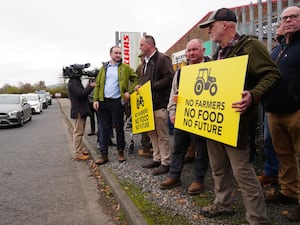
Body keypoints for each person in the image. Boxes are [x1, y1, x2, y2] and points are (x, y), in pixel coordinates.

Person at [198, 8, 281, 224]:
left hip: (237, 123)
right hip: (215, 123)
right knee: (217, 168)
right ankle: (223, 203)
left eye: (211, 26)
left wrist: (253, 95)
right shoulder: (218, 54)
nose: (208, 31)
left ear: (224, 25)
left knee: (242, 172)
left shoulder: (250, 46)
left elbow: (272, 74)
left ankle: (258, 218)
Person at [264, 6, 300, 222]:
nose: (287, 21)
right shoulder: (277, 50)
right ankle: (289, 192)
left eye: (293, 17)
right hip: (275, 112)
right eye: (284, 18)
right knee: (285, 156)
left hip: (296, 112)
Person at [160, 39, 209, 195]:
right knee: (178, 148)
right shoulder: (181, 72)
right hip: (183, 117)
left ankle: (198, 180)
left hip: (202, 118)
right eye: (189, 50)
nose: (191, 53)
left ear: (203, 50)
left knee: (201, 150)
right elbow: (173, 94)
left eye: (195, 49)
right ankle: (174, 176)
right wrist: (173, 112)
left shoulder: (213, 68)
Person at [93, 46, 139, 165]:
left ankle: (120, 152)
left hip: (117, 102)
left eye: (120, 53)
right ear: (110, 54)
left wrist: (129, 91)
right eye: (116, 53)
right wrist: (96, 99)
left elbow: (136, 79)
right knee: (103, 128)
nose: (118, 55)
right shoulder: (104, 68)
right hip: (103, 102)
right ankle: (104, 155)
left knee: (119, 128)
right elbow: (98, 84)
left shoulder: (125, 68)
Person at [135, 35, 174, 175]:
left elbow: (170, 77)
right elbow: (145, 80)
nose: (140, 47)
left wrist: (150, 86)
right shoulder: (145, 62)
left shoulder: (163, 59)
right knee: (152, 134)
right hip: (148, 105)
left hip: (159, 103)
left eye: (141, 45)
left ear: (150, 45)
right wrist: (140, 86)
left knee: (162, 134)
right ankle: (157, 158)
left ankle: (166, 162)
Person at [258, 23, 285, 185]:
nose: (280, 27)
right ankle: (272, 172)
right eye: (280, 22)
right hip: (272, 107)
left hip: (293, 108)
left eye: (291, 18)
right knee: (270, 142)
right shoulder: (275, 50)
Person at [67, 72, 96, 161]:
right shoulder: (74, 82)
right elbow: (81, 95)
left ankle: (80, 149)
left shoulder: (74, 81)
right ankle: (77, 153)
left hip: (80, 109)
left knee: (80, 131)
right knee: (78, 132)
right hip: (79, 110)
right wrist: (90, 87)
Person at [136, 53, 153, 158]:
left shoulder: (145, 66)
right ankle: (146, 146)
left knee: (147, 124)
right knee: (145, 123)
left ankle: (147, 147)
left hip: (148, 96)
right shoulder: (141, 67)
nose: (142, 59)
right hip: (144, 97)